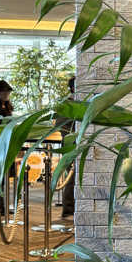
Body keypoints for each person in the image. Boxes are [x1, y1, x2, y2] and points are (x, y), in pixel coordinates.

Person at [60, 76, 75, 218]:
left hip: (72, 144)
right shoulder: (68, 105)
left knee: (73, 175)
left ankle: (71, 207)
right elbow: (63, 127)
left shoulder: (73, 103)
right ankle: (68, 209)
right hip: (71, 145)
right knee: (72, 176)